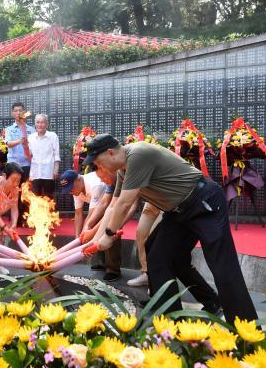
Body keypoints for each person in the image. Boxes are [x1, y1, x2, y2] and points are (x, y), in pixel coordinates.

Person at [86, 134, 253, 323]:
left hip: (203, 203)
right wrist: (95, 239)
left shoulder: (138, 154)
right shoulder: (124, 171)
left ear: (110, 153)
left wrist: (109, 234)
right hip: (178, 212)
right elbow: (113, 205)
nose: (99, 169)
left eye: (99, 163)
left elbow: (125, 203)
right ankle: (175, 318)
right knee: (158, 255)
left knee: (222, 264)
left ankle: (244, 327)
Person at [5, 102, 32, 225]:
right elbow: (8, 143)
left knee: (26, 191)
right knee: (14, 191)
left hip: (27, 164)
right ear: (12, 113)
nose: (18, 113)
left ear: (24, 112)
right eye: (16, 111)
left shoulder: (31, 129)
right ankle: (15, 218)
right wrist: (20, 140)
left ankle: (26, 218)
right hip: (13, 165)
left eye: (20, 110)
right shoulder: (9, 129)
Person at [28, 113, 60, 199]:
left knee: (49, 198)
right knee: (35, 198)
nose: (40, 125)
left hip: (48, 172)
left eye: (42, 122)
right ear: (35, 124)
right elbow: (29, 155)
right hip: (35, 172)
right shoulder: (31, 137)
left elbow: (56, 154)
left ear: (47, 124)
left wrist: (56, 170)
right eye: (37, 122)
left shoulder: (53, 136)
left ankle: (50, 213)